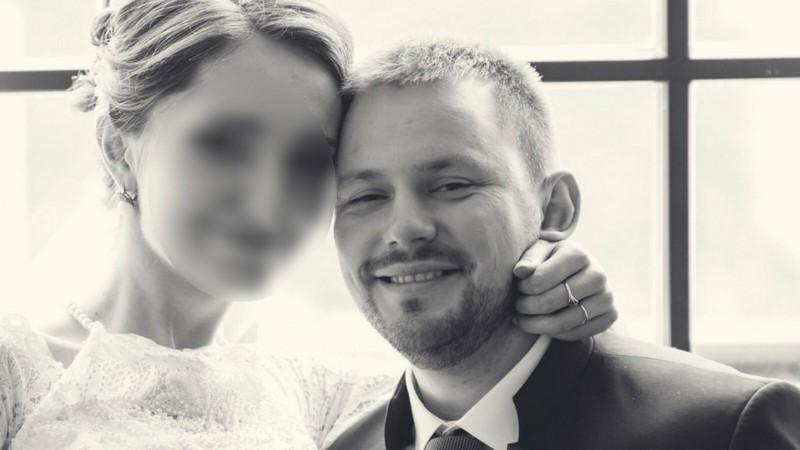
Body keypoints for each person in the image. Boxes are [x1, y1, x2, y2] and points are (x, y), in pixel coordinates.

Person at [0, 1, 619, 449]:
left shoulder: (336, 398)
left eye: (307, 160)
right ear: (117, 148)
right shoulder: (17, 374)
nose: (270, 199)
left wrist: (534, 277)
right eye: (225, 146)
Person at [328, 38, 800, 450]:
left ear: (553, 209)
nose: (405, 227)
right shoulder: (338, 444)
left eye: (452, 185)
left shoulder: (726, 429)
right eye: (366, 196)